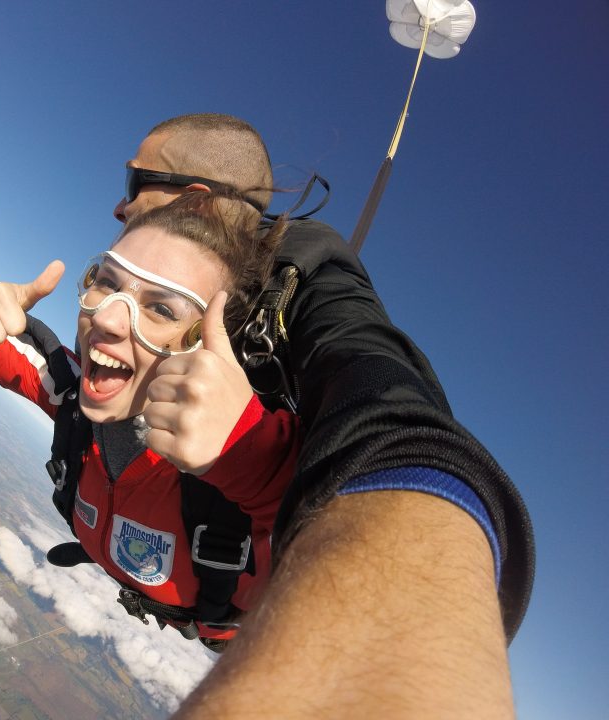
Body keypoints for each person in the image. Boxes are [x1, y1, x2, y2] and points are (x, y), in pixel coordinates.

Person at [111, 114, 534, 718]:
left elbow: (390, 413)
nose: (119, 209)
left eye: (134, 184)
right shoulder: (136, 296)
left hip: (226, 607)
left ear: (196, 201)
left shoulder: (309, 289)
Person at [0, 193, 302, 649]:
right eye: (105, 282)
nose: (108, 317)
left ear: (208, 345)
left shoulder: (252, 471)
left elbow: (338, 544)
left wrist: (247, 451)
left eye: (161, 308)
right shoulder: (71, 393)